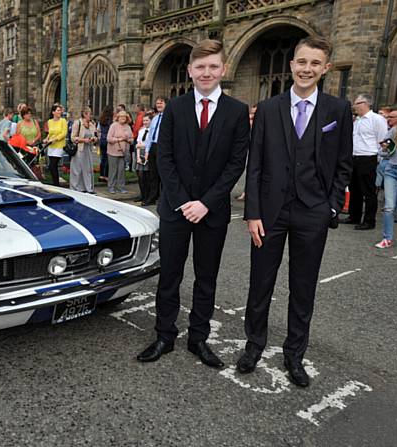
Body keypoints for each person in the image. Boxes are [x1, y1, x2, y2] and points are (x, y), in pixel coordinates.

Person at [237, 36, 353, 387]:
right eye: (302, 62)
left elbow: (343, 164)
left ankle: (294, 356)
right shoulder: (268, 108)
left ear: (325, 68)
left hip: (312, 213)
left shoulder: (338, 110)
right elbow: (255, 164)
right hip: (269, 213)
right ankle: (254, 345)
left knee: (303, 289)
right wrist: (252, 214)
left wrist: (330, 207)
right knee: (260, 284)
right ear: (291, 65)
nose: (307, 69)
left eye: (315, 64)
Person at [136, 39, 250, 368]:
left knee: (206, 277)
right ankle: (164, 335)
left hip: (212, 213)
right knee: (169, 275)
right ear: (190, 70)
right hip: (175, 208)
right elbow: (165, 159)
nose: (206, 72)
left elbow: (235, 164)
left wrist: (206, 203)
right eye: (200, 67)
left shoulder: (237, 111)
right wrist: (186, 201)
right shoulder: (174, 108)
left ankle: (198, 339)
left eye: (213, 66)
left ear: (223, 69)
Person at [340, 94, 388, 230]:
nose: (354, 106)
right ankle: (354, 216)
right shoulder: (358, 120)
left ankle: (369, 220)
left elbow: (382, 140)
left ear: (365, 103)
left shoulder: (377, 119)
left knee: (368, 191)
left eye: (357, 103)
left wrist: (377, 157)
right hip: (354, 157)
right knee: (354, 188)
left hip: (368, 157)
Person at [375, 104, 397, 248]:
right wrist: (388, 150)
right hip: (391, 170)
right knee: (389, 207)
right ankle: (387, 238)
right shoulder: (391, 132)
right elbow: (382, 151)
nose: (388, 118)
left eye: (392, 116)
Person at [143, 97, 167, 205]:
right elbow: (150, 136)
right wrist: (147, 150)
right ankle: (152, 197)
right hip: (153, 147)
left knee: (163, 174)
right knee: (153, 174)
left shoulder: (170, 117)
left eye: (161, 103)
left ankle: (163, 199)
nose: (159, 105)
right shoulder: (155, 118)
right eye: (157, 103)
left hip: (164, 147)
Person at [70, 107, 97, 193]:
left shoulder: (92, 124)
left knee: (87, 169)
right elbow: (73, 138)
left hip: (88, 149)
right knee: (77, 169)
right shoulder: (77, 123)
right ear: (85, 114)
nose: (91, 115)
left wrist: (94, 139)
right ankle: (76, 188)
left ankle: (87, 188)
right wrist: (83, 140)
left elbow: (95, 135)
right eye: (90, 114)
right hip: (79, 149)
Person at [106, 110, 133, 194]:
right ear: (118, 117)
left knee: (121, 171)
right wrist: (120, 139)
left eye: (124, 116)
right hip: (113, 152)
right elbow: (109, 138)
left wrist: (128, 140)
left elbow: (132, 139)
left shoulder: (128, 127)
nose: (123, 118)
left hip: (123, 152)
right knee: (113, 170)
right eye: (121, 116)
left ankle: (121, 187)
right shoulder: (113, 125)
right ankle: (111, 187)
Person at [43, 104, 67, 186]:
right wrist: (47, 139)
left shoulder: (63, 121)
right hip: (51, 146)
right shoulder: (50, 122)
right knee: (52, 166)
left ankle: (56, 184)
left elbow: (64, 133)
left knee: (53, 165)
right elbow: (50, 133)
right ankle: (55, 182)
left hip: (59, 146)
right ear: (53, 112)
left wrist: (56, 139)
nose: (60, 112)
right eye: (58, 110)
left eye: (60, 110)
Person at [134, 114, 152, 202]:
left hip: (148, 153)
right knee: (140, 175)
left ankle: (147, 196)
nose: (145, 122)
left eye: (147, 120)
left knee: (146, 176)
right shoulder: (141, 131)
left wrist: (143, 146)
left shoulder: (152, 131)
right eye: (144, 120)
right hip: (140, 153)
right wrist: (138, 157)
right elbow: (138, 144)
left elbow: (150, 144)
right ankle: (142, 194)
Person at [97, 106, 112, 182]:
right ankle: (106, 176)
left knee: (103, 158)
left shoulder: (101, 120)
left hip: (102, 140)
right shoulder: (110, 120)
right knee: (108, 159)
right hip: (108, 140)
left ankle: (101, 175)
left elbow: (98, 130)